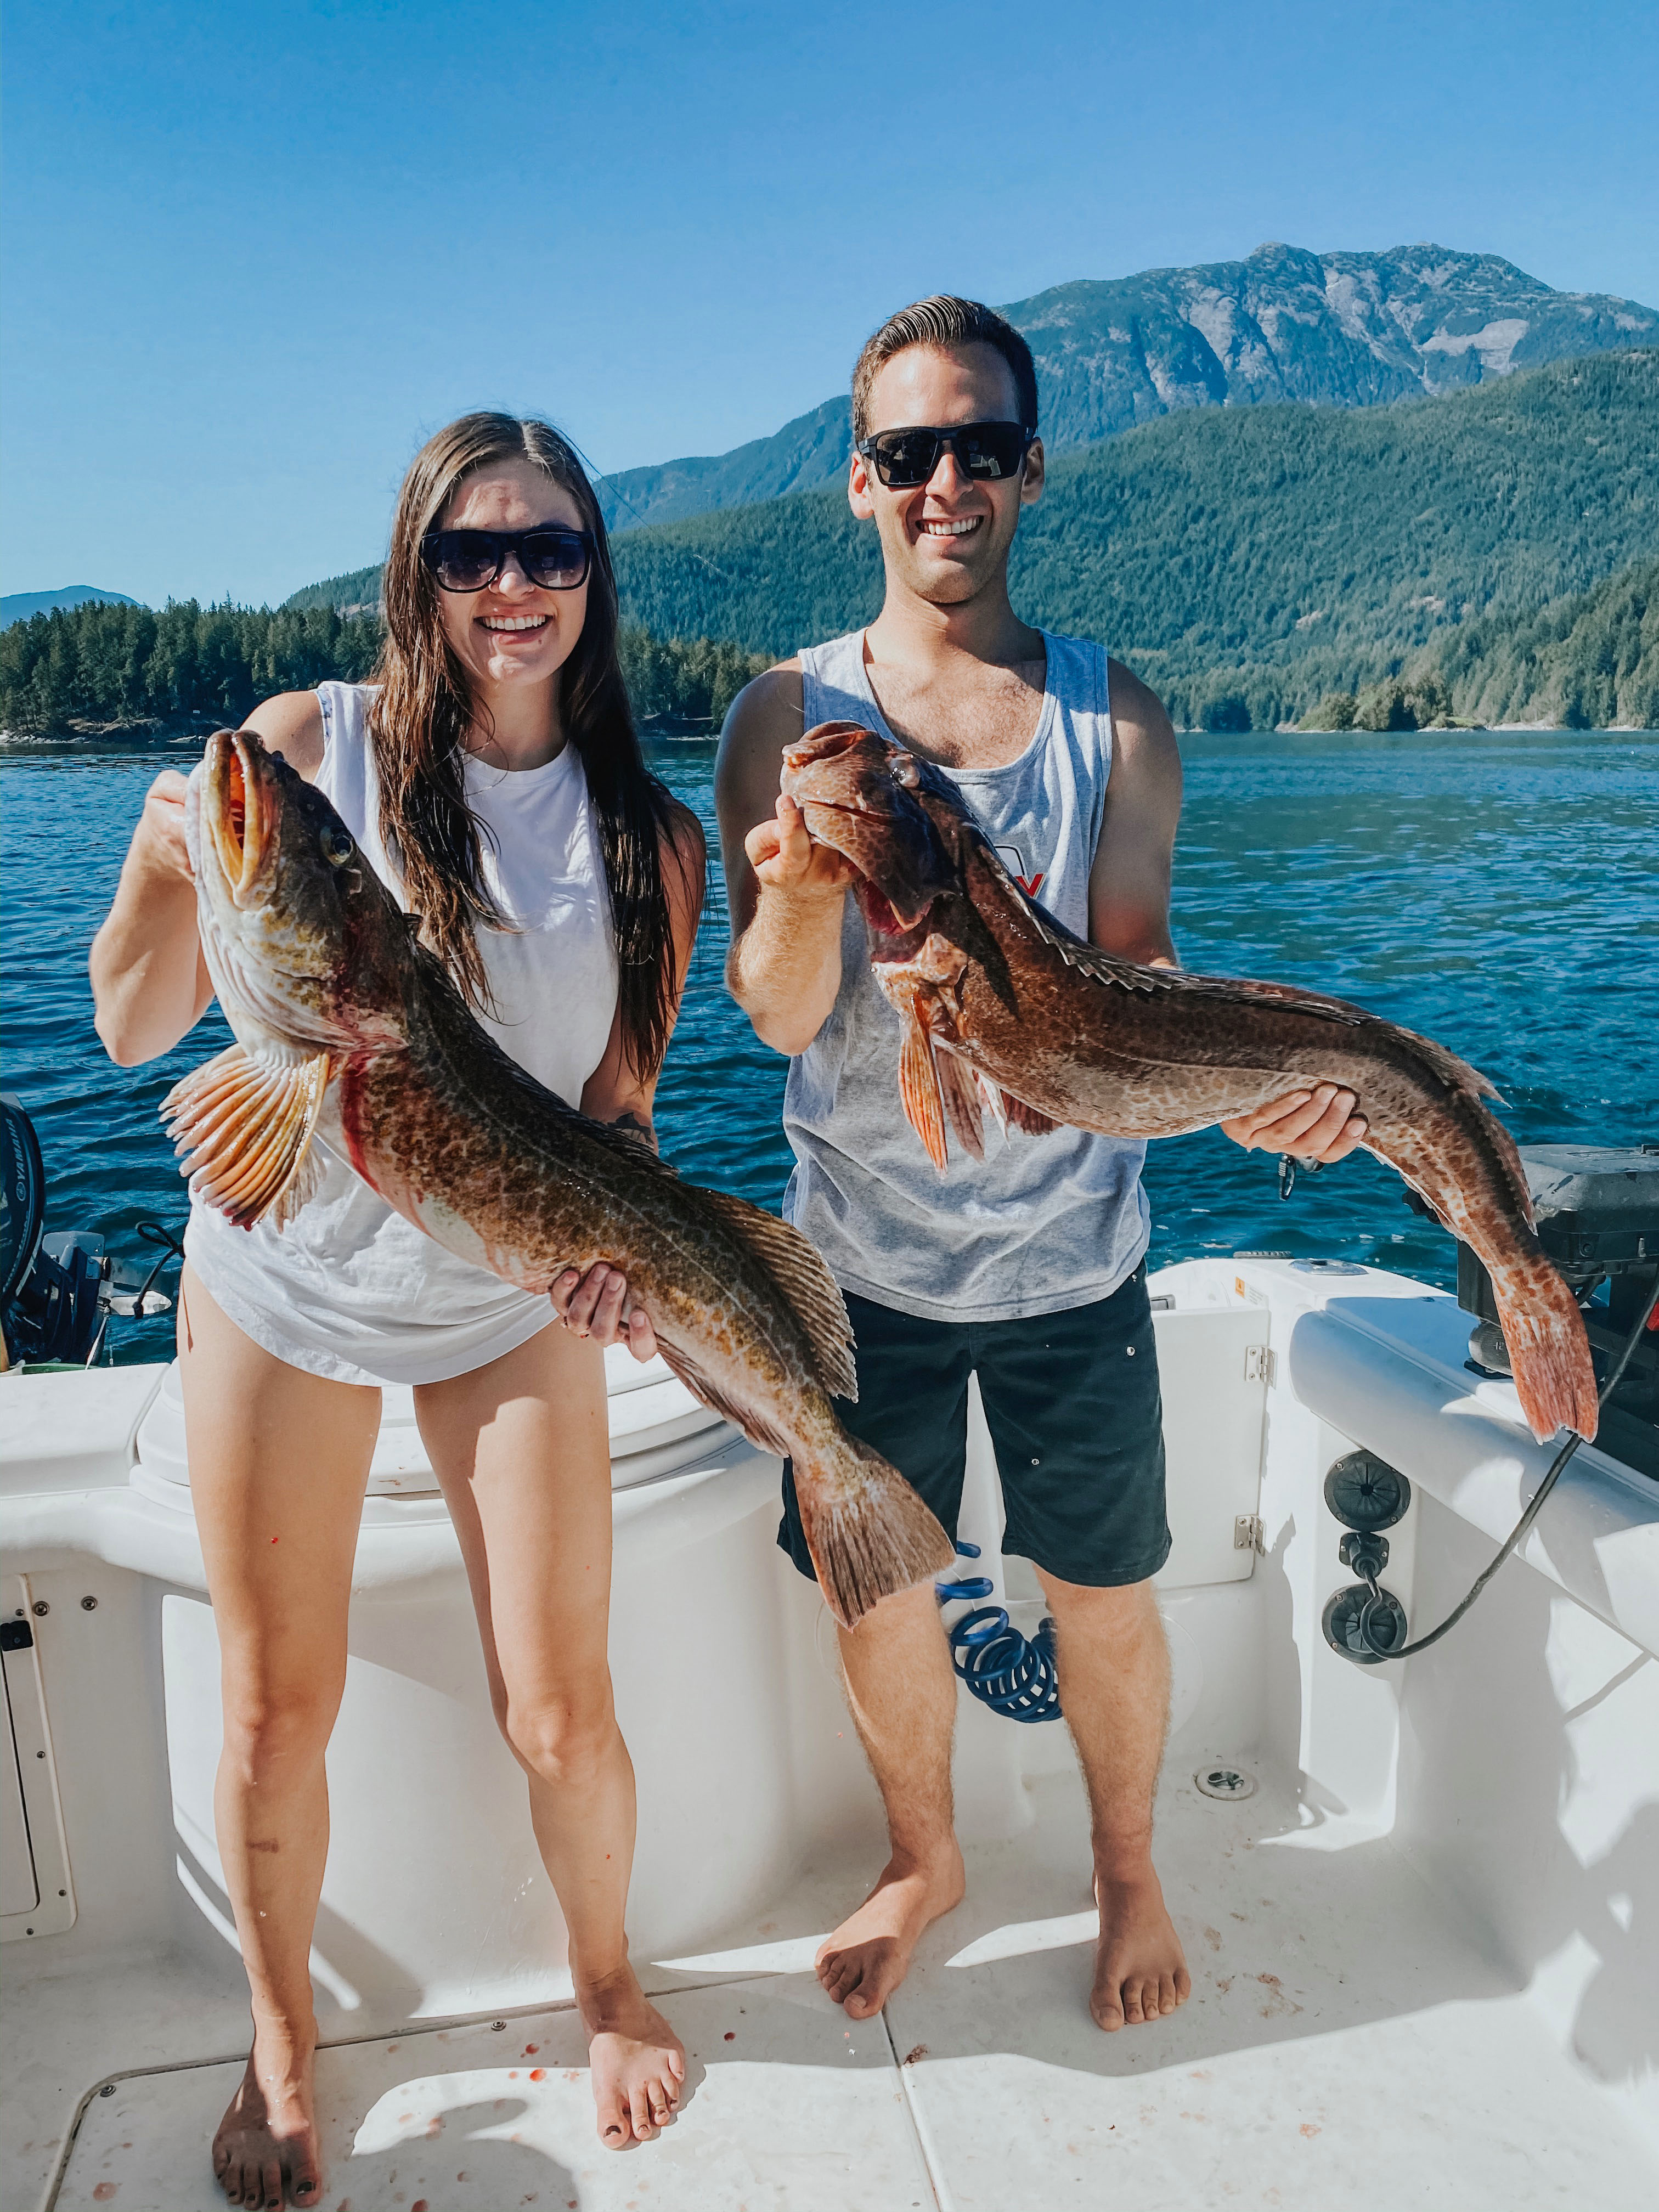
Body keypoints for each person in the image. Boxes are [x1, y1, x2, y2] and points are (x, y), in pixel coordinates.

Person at [715, 298, 1365, 2037]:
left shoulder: (1120, 723)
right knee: (879, 1591)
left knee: (1103, 1591)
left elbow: (1134, 998)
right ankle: (924, 1856)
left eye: (981, 446)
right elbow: (777, 1019)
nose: (947, 482)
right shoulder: (790, 715)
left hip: (1080, 1262)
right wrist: (793, 887)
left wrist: (1260, 1093)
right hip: (856, 1266)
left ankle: (1130, 1860)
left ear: (1031, 468)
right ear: (857, 483)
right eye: (909, 453)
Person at [91, 414, 704, 2207]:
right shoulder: (301, 754)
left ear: (595, 578)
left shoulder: (651, 841)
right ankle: (280, 2047)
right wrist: (156, 864)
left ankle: (608, 1982)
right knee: (277, 1712)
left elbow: (618, 1117)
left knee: (562, 1712)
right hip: (279, 1290)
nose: (511, 588)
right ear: (414, 574)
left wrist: (618, 1258)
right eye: (471, 553)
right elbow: (134, 1030)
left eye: (551, 553)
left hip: (504, 1300)